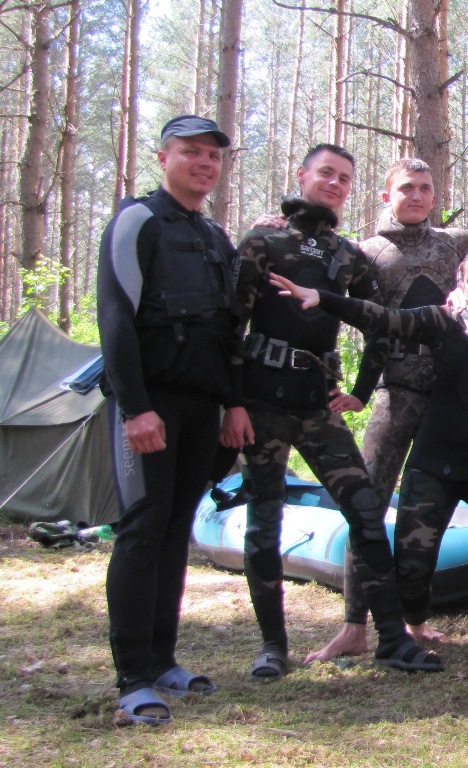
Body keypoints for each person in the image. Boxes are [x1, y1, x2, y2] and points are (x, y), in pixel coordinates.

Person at [269, 248, 468, 671]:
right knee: (412, 567)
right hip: (434, 467)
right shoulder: (443, 321)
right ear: (461, 285)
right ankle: (416, 626)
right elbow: (383, 319)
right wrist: (324, 298)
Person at [221, 143, 441, 678]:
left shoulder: (349, 255)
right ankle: (273, 647)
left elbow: (377, 324)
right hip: (261, 403)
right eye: (326, 173)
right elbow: (229, 326)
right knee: (264, 521)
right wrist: (232, 403)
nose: (335, 183)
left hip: (318, 406)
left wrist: (362, 391)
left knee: (365, 511)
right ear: (303, 175)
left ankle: (391, 640)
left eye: (344, 177)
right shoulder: (263, 241)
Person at [303, 158, 468, 664]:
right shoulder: (366, 252)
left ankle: (416, 619)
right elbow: (367, 320)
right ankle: (354, 626)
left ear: (434, 196)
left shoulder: (457, 243)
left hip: (451, 400)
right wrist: (359, 389)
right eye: (406, 188)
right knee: (366, 506)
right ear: (386, 195)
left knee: (429, 508)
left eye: (425, 188)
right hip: (396, 394)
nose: (416, 196)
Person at [97, 115, 239, 726]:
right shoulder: (138, 221)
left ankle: (162, 661)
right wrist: (135, 408)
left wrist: (234, 404)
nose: (204, 163)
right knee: (144, 526)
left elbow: (229, 331)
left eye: (213, 155)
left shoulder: (215, 238)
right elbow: (114, 317)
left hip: (201, 407)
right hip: (148, 405)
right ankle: (132, 678)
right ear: (163, 158)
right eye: (191, 152)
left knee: (177, 527)